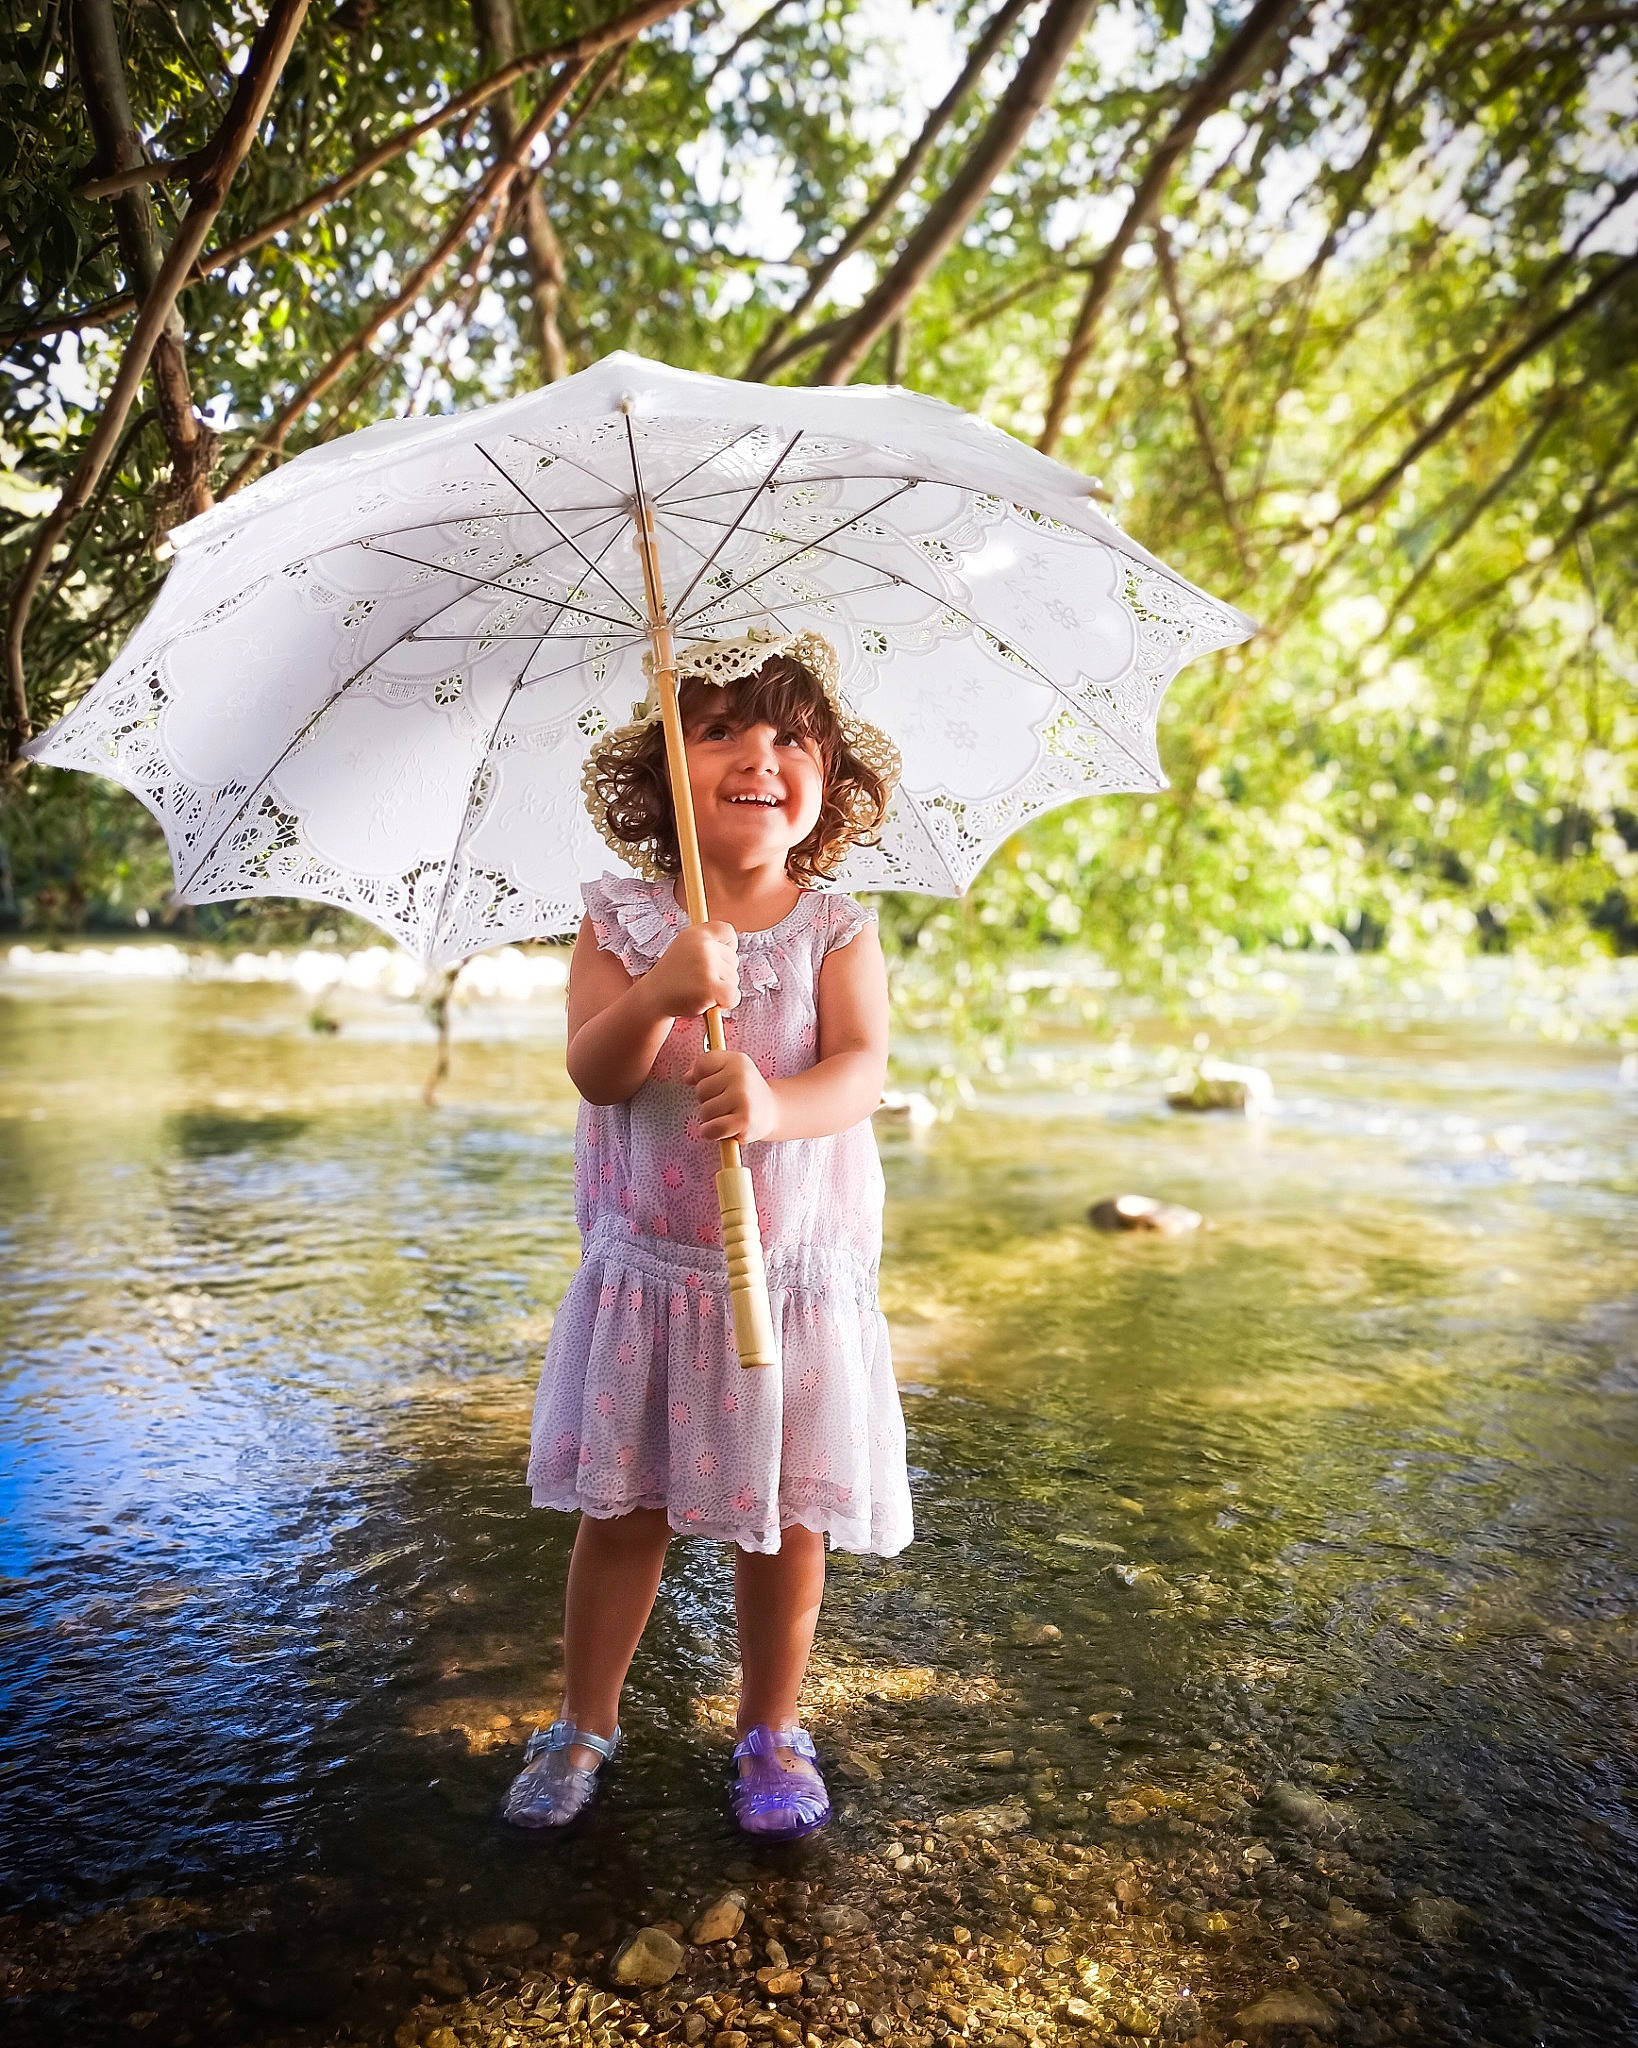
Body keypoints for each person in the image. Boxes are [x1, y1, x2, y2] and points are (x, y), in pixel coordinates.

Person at [505, 625, 914, 1841]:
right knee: (621, 1512)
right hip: (657, 1269)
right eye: (723, 727)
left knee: (786, 1515)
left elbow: (863, 1069)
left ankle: (771, 1724)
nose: (759, 754)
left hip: (789, 1273)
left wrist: (782, 1101)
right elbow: (594, 1070)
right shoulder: (626, 921)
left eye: (791, 734)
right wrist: (665, 991)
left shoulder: (835, 926)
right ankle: (584, 1718)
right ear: (663, 772)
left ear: (827, 777)